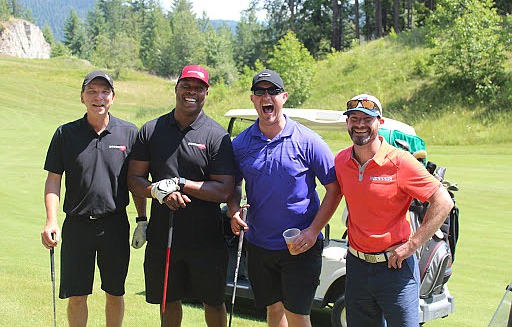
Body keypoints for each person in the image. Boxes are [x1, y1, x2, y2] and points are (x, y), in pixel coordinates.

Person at [227, 69, 341, 327]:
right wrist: (233, 210)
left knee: (298, 315)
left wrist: (313, 231)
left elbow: (334, 189)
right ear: (253, 99)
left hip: (301, 245)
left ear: (284, 97)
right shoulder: (240, 144)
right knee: (273, 311)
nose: (267, 97)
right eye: (260, 92)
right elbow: (233, 185)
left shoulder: (309, 141)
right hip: (259, 245)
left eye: (273, 91)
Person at [127, 65, 234, 327]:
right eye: (186, 86)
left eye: (198, 88)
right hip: (164, 234)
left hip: (207, 237)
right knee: (168, 300)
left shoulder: (216, 136)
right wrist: (158, 192)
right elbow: (134, 180)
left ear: (206, 93)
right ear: (176, 88)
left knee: (213, 301)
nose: (191, 92)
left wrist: (180, 184)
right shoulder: (151, 130)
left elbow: (223, 190)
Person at [334, 94, 454, 326]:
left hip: (395, 268)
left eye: (367, 119)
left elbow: (443, 200)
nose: (359, 124)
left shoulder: (400, 161)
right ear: (347, 122)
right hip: (357, 267)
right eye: (354, 118)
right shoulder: (341, 161)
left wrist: (411, 245)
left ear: (380, 122)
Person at [40, 70, 146, 327]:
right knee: (77, 295)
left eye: (104, 92)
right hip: (77, 225)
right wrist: (51, 221)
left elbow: (136, 181)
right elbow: (54, 179)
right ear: (82, 97)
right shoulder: (65, 134)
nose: (98, 97)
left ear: (113, 97)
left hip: (114, 224)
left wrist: (142, 220)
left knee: (115, 292)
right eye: (92, 92)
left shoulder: (129, 133)